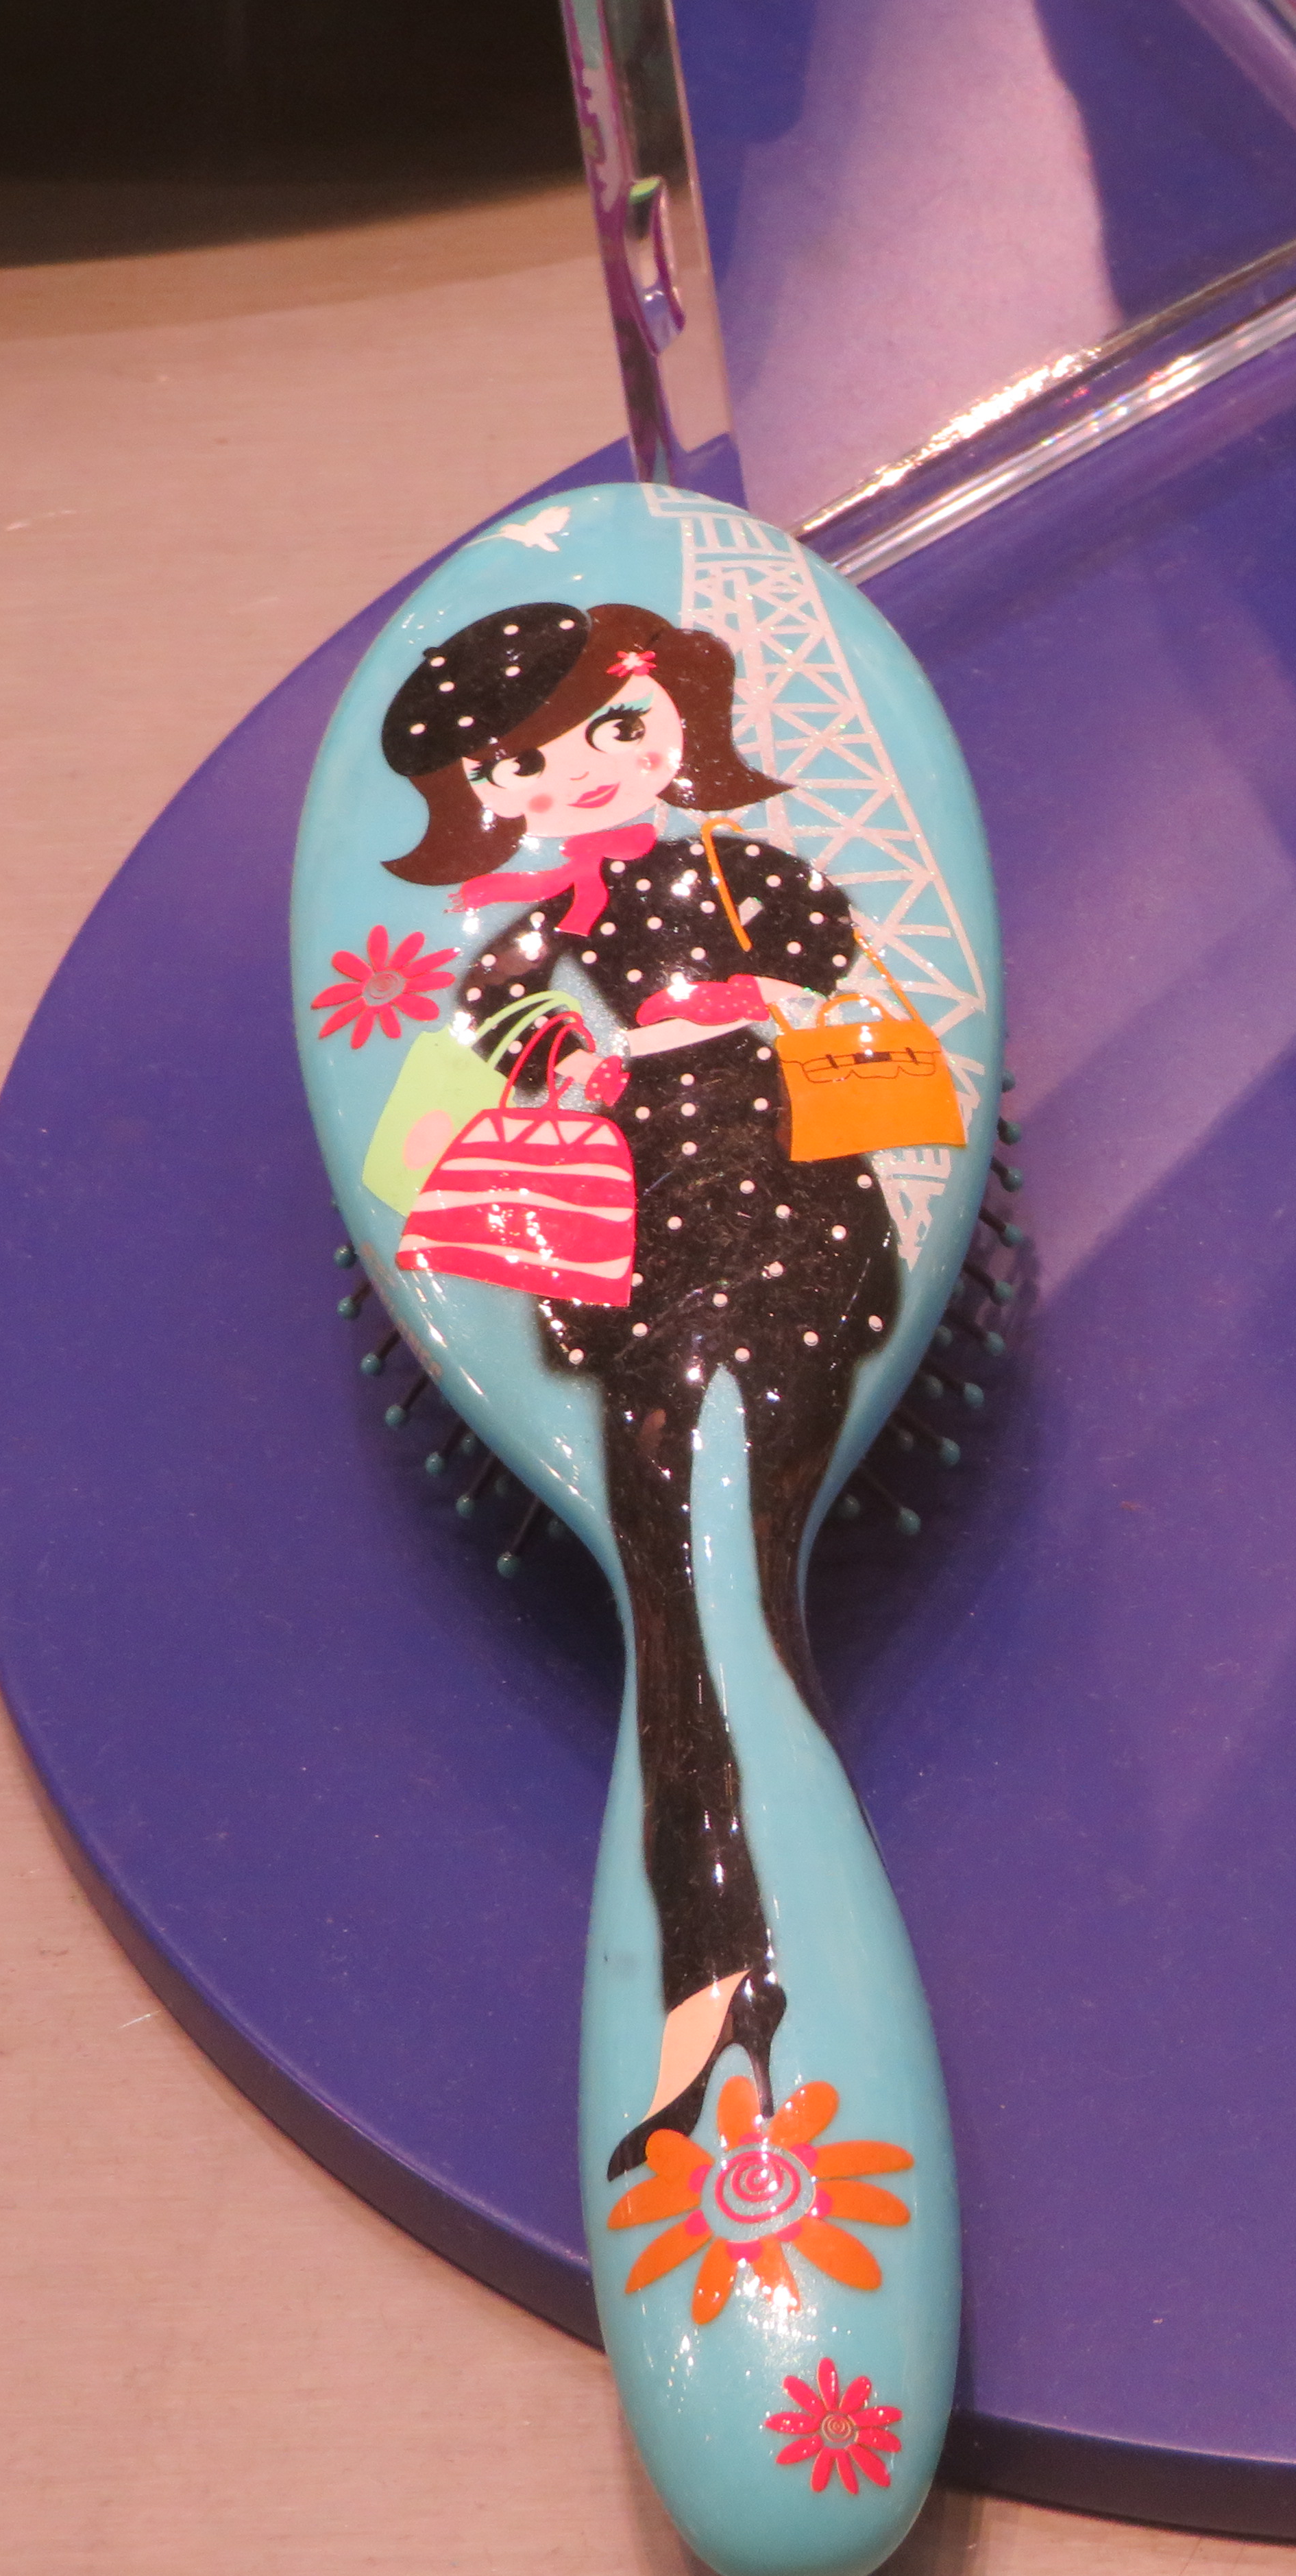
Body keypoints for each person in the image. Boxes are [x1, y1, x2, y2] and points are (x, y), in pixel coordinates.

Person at [376, 598, 899, 2177]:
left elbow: (866, 1009)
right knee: (681, 1600)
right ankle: (718, 2003)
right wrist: (561, 1071)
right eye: (533, 757)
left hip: (786, 1208)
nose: (589, 768)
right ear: (492, 788)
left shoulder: (744, 876)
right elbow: (432, 1124)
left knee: (716, 1585)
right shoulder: (521, 945)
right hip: (632, 1235)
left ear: (669, 715)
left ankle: (723, 2007)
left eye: (615, 725)